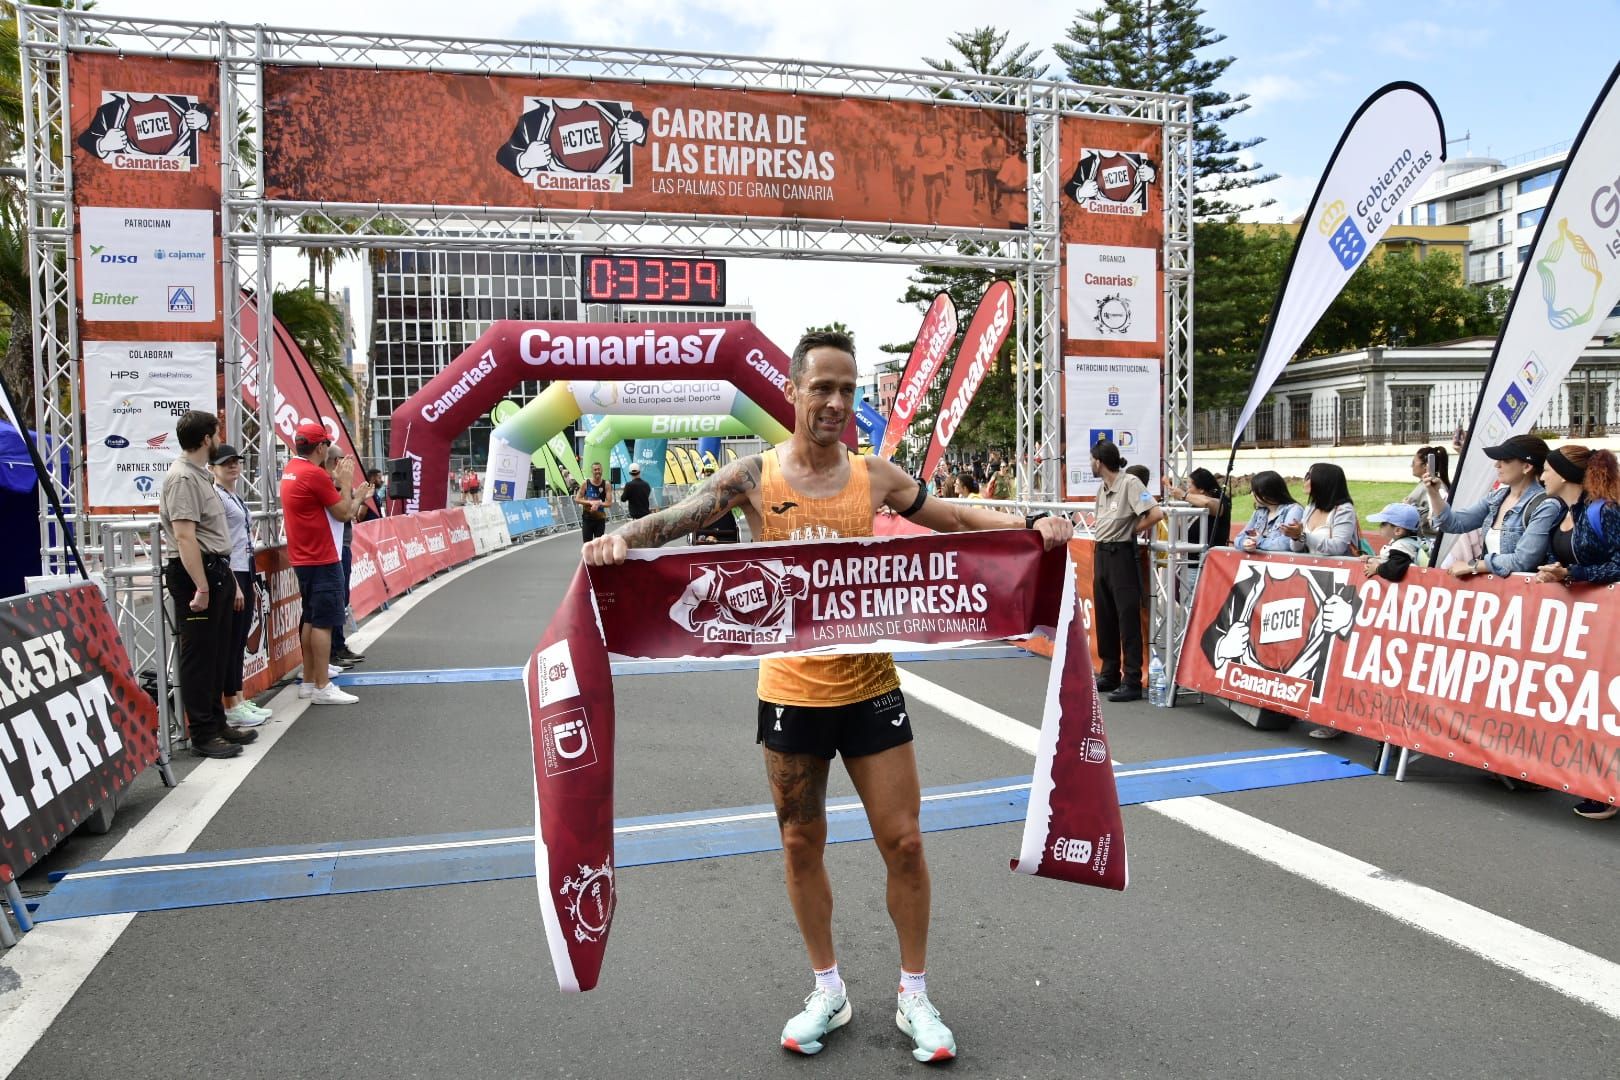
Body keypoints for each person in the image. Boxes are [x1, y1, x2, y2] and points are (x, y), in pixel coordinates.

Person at [582, 329, 1072, 1064]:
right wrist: (618, 539)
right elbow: (675, 521)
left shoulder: (874, 477)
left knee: (904, 843)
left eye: (848, 390)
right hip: (790, 696)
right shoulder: (753, 475)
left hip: (871, 690)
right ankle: (828, 988)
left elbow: (958, 519)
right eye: (824, 388)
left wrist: (1029, 526)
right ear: (793, 391)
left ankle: (914, 994)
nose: (837, 402)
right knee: (799, 841)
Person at [158, 411, 255, 759]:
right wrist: (201, 586)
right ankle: (202, 731)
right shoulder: (183, 478)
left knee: (215, 653)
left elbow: (212, 536)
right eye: (216, 434)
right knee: (199, 657)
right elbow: (185, 537)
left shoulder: (197, 475)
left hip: (215, 569)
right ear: (205, 440)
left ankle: (216, 723)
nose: (219, 440)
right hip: (197, 574)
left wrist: (224, 579)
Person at [1530, 447, 1620, 820]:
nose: (1542, 476)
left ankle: (1605, 791)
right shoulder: (1574, 512)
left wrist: (1573, 576)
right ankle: (1594, 783)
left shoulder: (1604, 511)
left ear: (1566, 475)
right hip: (1585, 624)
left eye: (1548, 470)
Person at [280, 421, 366, 705]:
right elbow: (343, 513)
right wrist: (347, 485)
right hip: (321, 556)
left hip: (304, 556)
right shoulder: (313, 474)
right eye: (327, 445)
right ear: (320, 447)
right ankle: (321, 686)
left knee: (310, 617)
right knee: (324, 622)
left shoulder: (291, 470)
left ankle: (309, 680)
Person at [1425, 434, 1563, 578]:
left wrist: (1473, 565)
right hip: (1495, 592)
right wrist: (1434, 494)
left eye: (1505, 460)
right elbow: (1453, 524)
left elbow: (1523, 560)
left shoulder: (1545, 505)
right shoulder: (1496, 497)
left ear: (1527, 466)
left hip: (1525, 595)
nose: (1497, 465)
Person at [1090, 440, 1164, 702]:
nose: (1091, 464)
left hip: (1121, 554)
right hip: (1101, 553)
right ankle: (1108, 672)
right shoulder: (1103, 488)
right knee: (1105, 615)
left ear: (1099, 461)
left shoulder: (1130, 483)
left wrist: (1132, 530)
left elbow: (1155, 513)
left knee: (1127, 617)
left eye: (1092, 459)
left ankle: (1131, 678)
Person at [210, 443, 270, 730]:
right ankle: (230, 703)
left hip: (245, 570)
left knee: (240, 639)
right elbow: (221, 543)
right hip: (231, 572)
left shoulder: (233, 495)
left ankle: (238, 697)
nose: (233, 467)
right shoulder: (216, 498)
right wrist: (233, 583)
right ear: (212, 468)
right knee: (232, 640)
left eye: (236, 462)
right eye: (226, 463)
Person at [324, 446, 369, 666]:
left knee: (343, 599)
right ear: (335, 462)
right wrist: (357, 497)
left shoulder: (339, 485)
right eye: (344, 461)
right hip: (335, 547)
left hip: (344, 545)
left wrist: (358, 497)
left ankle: (339, 645)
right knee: (335, 600)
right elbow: (345, 513)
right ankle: (332, 651)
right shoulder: (332, 485)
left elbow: (353, 514)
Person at [1285, 462, 1358, 556]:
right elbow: (1297, 549)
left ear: (1322, 481)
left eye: (1309, 476)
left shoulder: (1344, 510)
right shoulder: (1311, 507)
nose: (1304, 480)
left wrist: (1304, 536)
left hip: (1337, 568)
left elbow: (1339, 547)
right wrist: (1295, 537)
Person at [1233, 472, 1303, 553]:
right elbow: (1239, 538)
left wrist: (1259, 541)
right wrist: (1245, 544)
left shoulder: (1294, 510)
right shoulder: (1259, 512)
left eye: (1254, 491)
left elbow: (1286, 543)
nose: (1251, 494)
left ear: (1266, 493)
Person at [1166, 468, 1229, 548]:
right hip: (1190, 556)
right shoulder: (1195, 505)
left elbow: (1207, 503)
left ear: (1201, 489)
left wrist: (1184, 495)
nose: (1187, 490)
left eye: (1189, 487)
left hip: (1209, 557)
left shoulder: (1221, 503)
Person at [1362, 503, 1422, 581]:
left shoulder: (1402, 547)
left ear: (1398, 530)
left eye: (1383, 523)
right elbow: (1391, 557)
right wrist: (1372, 557)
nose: (1379, 526)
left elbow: (1394, 570)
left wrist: (1377, 568)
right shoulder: (1405, 541)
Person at [1405, 447, 1451, 538]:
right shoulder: (1435, 483)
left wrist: (1405, 506)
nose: (1411, 466)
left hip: (1429, 540)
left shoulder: (1431, 486)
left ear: (1425, 466)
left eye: (1414, 463)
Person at [575, 461, 612, 541]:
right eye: (595, 470)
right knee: (587, 545)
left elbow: (609, 503)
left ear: (602, 470)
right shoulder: (586, 483)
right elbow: (577, 499)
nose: (597, 471)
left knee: (599, 544)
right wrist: (590, 502)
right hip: (587, 518)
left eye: (599, 469)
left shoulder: (606, 484)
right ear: (592, 471)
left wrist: (599, 504)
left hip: (600, 519)